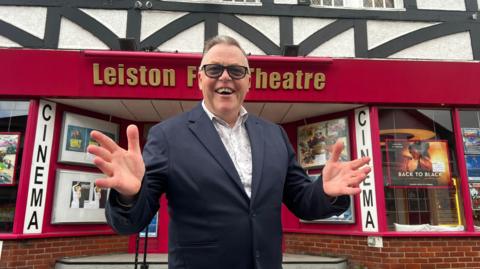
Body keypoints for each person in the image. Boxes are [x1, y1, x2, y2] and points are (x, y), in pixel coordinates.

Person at [87, 35, 371, 269]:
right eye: (214, 69)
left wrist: (325, 190)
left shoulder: (274, 135)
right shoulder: (167, 136)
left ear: (249, 81)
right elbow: (132, 223)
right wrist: (128, 195)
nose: (225, 77)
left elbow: (302, 201)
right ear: (199, 79)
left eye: (236, 71)